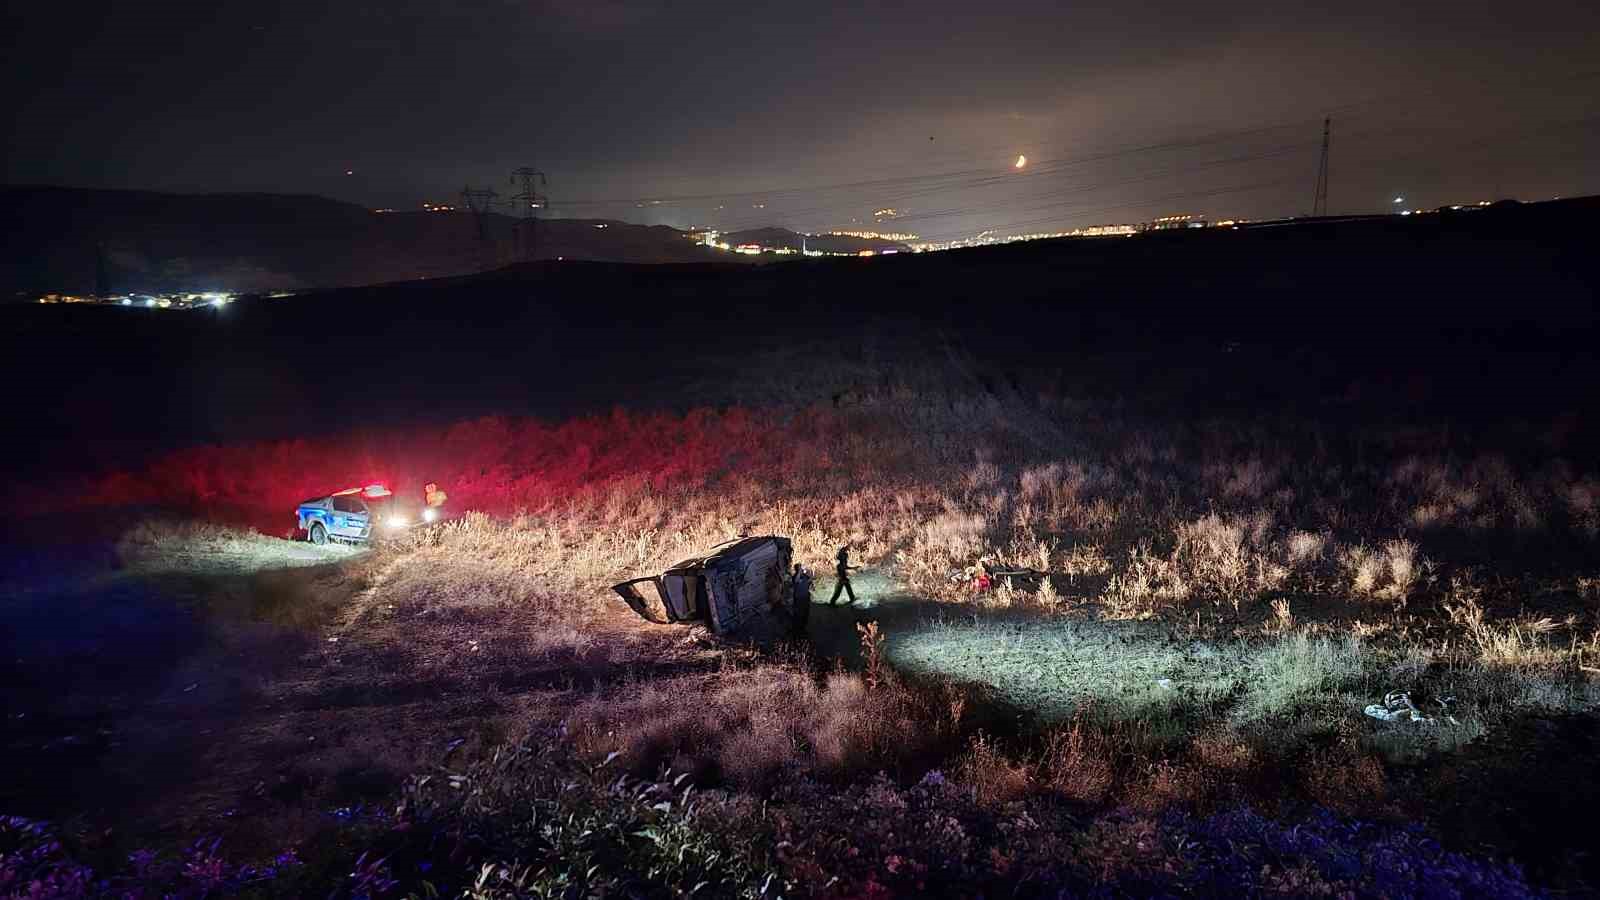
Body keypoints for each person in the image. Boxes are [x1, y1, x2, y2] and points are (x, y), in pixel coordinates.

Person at [790, 563, 813, 636]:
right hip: (799, 598)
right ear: (797, 569)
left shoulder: (805, 576)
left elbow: (810, 582)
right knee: (798, 615)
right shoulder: (795, 577)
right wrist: (799, 572)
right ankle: (797, 631)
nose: (801, 569)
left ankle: (803, 629)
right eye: (799, 568)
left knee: (805, 614)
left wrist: (810, 579)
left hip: (806, 598)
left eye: (801, 568)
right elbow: (796, 581)